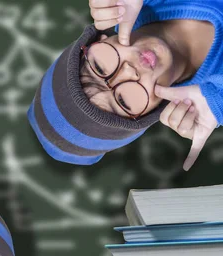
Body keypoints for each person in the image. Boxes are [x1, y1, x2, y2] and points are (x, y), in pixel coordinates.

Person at [29, 0, 222, 171]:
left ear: (97, 40)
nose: (128, 71)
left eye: (99, 66)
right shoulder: (215, 94)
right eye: (124, 100)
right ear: (149, 113)